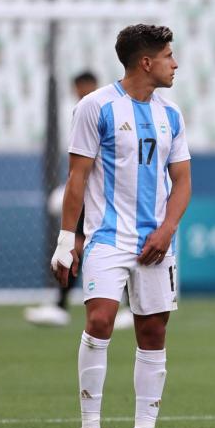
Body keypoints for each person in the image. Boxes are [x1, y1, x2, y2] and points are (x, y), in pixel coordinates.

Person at [50, 24, 191, 428]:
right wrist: (65, 239)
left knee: (153, 331)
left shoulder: (172, 115)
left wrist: (167, 230)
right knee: (100, 322)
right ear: (146, 62)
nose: (175, 63)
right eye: (169, 55)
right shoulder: (96, 107)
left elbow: (182, 181)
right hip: (108, 238)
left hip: (156, 241)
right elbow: (78, 178)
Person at [26, 71, 133, 330]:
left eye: (82, 87)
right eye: (77, 88)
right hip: (90, 192)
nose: (80, 92)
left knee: (113, 245)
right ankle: (62, 305)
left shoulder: (103, 110)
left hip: (105, 194)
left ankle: (126, 306)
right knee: (78, 245)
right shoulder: (85, 110)